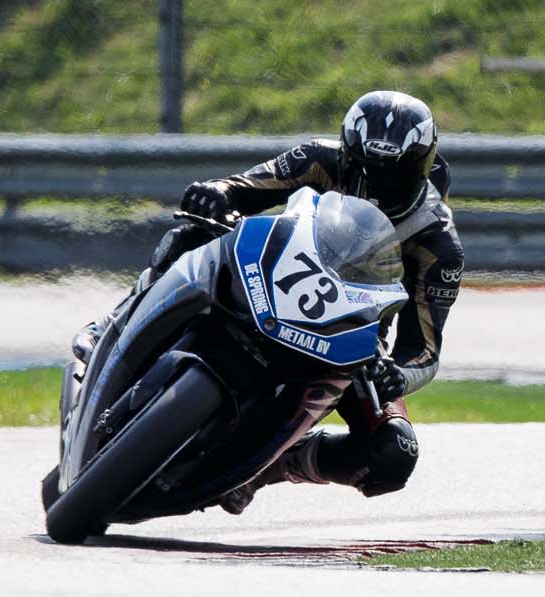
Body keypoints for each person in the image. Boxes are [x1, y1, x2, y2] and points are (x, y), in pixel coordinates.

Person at [72, 90, 464, 514]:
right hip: (268, 282)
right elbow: (242, 187)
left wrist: (397, 377)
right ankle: (117, 322)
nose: (378, 190)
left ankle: (272, 466)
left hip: (347, 343)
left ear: (423, 169)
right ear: (349, 156)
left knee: (394, 453)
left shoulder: (438, 245)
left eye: (396, 176)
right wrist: (215, 193)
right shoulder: (319, 158)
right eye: (369, 173)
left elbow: (423, 349)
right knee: (191, 234)